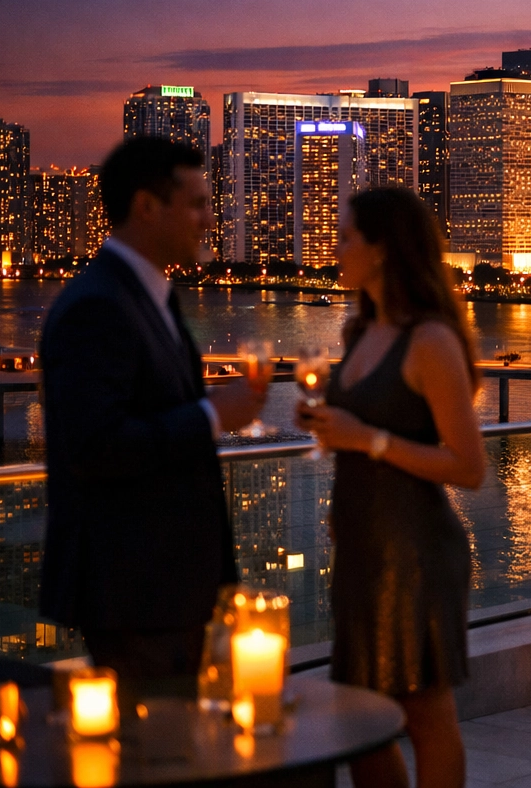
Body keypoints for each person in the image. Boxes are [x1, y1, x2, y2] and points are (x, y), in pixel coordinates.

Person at [39, 137, 266, 700]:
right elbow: (95, 446)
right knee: (159, 757)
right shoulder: (96, 306)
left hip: (172, 588)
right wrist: (215, 413)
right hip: (134, 590)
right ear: (146, 206)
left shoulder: (151, 298)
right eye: (197, 204)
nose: (211, 220)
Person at [297, 187, 486, 788]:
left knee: (425, 714)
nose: (337, 246)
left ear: (381, 249)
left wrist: (367, 439)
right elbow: (358, 433)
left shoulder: (430, 340)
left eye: (347, 236)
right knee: (357, 721)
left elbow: (469, 466)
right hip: (361, 551)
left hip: (415, 553)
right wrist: (333, 430)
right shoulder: (359, 332)